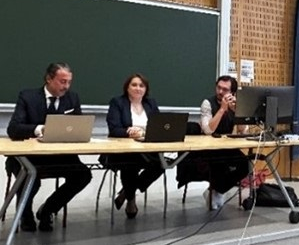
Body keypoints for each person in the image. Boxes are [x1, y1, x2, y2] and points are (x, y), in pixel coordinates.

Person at [6, 62, 92, 232]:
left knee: (83, 175)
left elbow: (77, 127)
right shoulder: (28, 97)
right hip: (29, 157)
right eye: (62, 81)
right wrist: (39, 129)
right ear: (48, 79)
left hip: (60, 156)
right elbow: (13, 129)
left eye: (69, 82)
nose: (66, 86)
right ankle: (25, 215)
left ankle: (48, 209)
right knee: (31, 178)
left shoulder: (72, 98)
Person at [176, 75, 250, 210]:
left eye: (225, 90)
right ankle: (216, 191)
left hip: (226, 146)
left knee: (245, 165)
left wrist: (238, 112)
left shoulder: (236, 105)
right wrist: (222, 109)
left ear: (233, 93)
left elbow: (243, 130)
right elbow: (208, 130)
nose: (220, 92)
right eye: (218, 88)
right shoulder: (208, 103)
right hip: (208, 148)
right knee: (218, 165)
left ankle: (217, 190)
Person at [99, 73, 164, 219]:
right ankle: (131, 200)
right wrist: (128, 132)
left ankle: (127, 191)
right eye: (134, 85)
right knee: (130, 165)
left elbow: (158, 126)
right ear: (127, 87)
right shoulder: (118, 102)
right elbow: (114, 129)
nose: (138, 88)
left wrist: (145, 132)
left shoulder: (151, 103)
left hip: (146, 149)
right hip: (121, 151)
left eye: (141, 85)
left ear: (146, 89)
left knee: (162, 164)